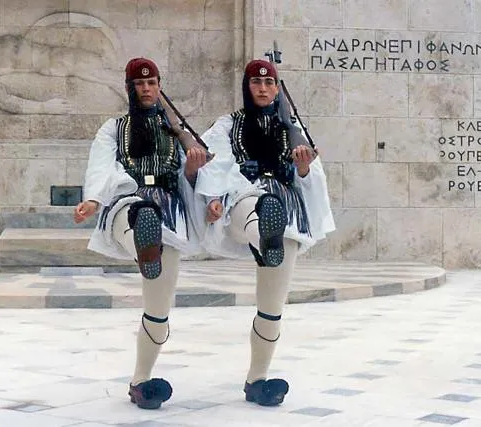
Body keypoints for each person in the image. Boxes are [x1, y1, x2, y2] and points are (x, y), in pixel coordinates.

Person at [193, 59, 335, 406]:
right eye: (256, 83)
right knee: (257, 210)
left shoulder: (294, 128)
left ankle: (257, 380)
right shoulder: (231, 124)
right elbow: (216, 163)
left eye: (269, 83)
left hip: (286, 209)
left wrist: (304, 168)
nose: (262, 89)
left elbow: (313, 179)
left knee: (272, 306)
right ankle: (264, 236)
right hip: (245, 196)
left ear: (276, 88)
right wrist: (213, 198)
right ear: (247, 87)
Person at [73, 57, 209, 410]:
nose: (146, 89)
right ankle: (142, 238)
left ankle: (140, 382)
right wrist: (92, 200)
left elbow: (192, 178)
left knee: (159, 310)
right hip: (127, 203)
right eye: (139, 84)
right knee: (138, 213)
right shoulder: (115, 128)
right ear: (130, 89)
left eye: (151, 83)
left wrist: (194, 170)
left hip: (169, 214)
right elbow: (101, 166)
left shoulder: (173, 131)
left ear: (159, 86)